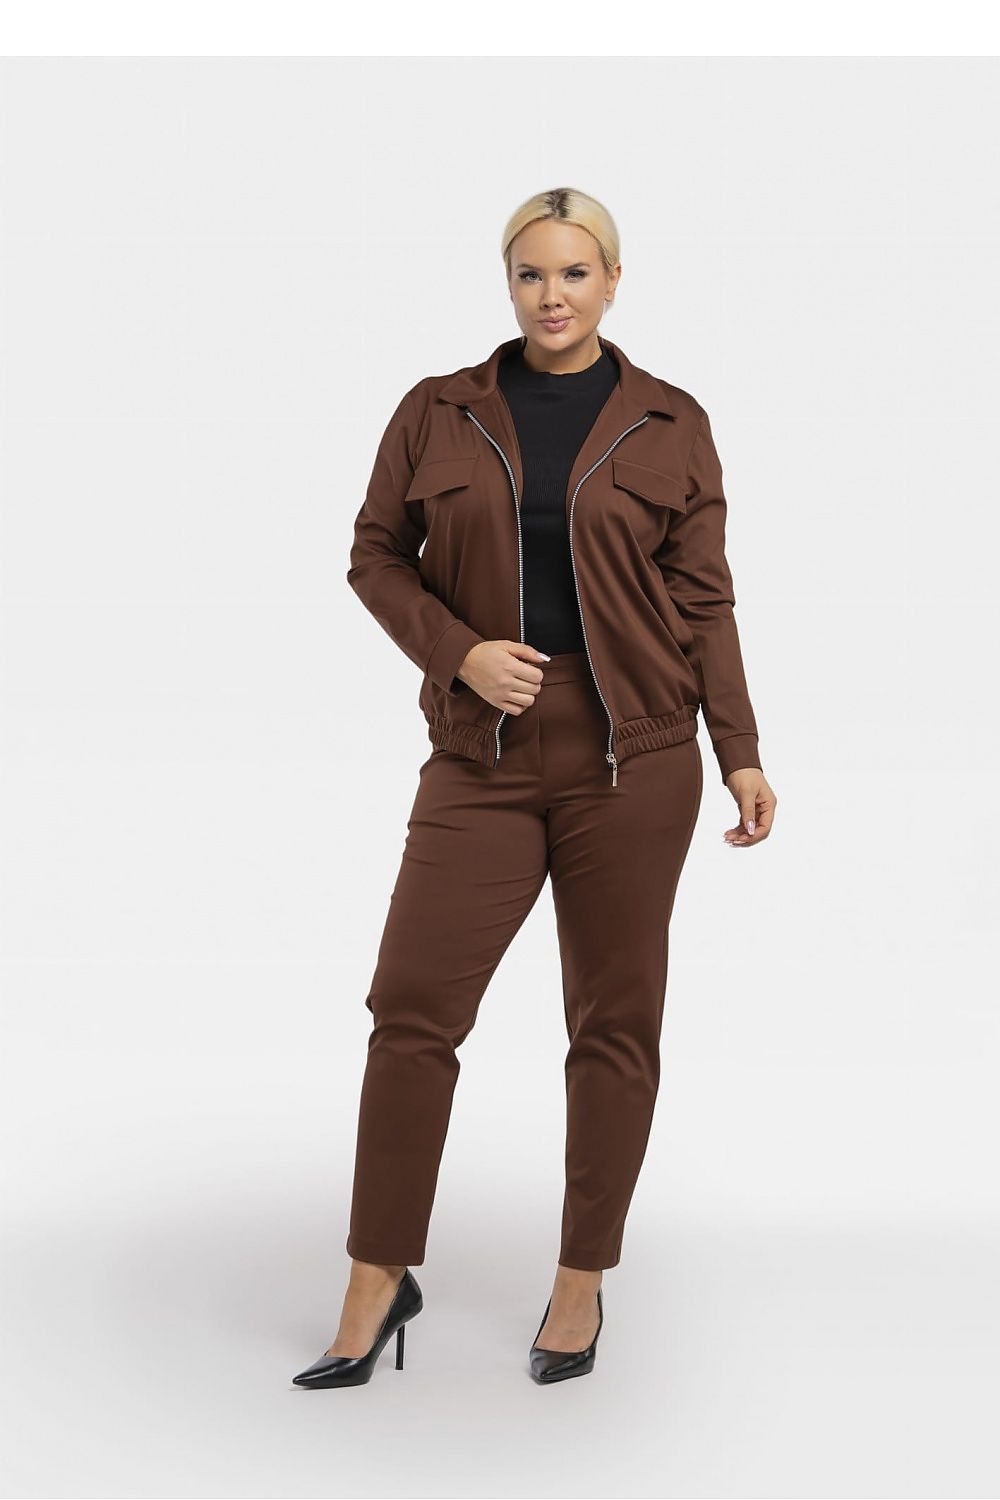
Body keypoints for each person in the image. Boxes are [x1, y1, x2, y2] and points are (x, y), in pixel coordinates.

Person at [292, 186, 777, 1390]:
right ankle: (376, 1277)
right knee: (412, 1008)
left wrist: (739, 748)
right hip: (481, 756)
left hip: (637, 758)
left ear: (611, 279)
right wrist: (457, 651)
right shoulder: (438, 410)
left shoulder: (670, 421)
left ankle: (579, 1282)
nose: (550, 296)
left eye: (573, 272)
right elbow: (374, 554)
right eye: (529, 274)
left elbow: (704, 599)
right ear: (506, 283)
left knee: (612, 1023)